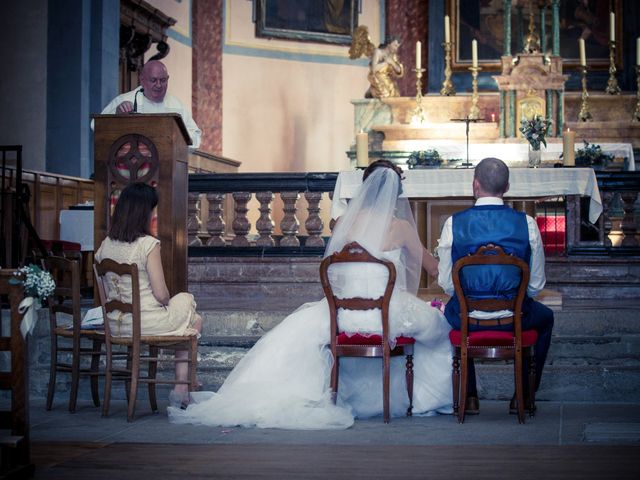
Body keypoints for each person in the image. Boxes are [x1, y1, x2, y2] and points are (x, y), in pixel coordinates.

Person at [169, 160, 452, 429]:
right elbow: (428, 266)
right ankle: (425, 401)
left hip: (344, 316)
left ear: (364, 189)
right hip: (385, 316)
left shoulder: (343, 224)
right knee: (440, 329)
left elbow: (333, 273)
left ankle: (341, 395)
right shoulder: (400, 228)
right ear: (396, 194)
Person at [436, 157, 554, 414]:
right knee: (546, 318)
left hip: (467, 317)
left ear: (475, 185)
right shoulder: (528, 224)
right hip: (515, 317)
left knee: (447, 314)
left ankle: (469, 397)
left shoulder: (453, 223)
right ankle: (523, 396)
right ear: (507, 187)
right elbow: (535, 286)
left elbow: (446, 284)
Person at [95, 182, 203, 408]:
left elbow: (104, 295)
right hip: (145, 323)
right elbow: (162, 295)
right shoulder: (148, 245)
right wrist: (163, 303)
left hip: (115, 325)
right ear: (144, 212)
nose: (154, 214)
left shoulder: (105, 245)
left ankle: (186, 384)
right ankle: (182, 386)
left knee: (189, 323)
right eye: (152, 209)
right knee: (190, 309)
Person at [100, 60, 202, 148]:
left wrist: (176, 137)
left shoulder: (177, 106)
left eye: (162, 80)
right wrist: (116, 116)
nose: (158, 85)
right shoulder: (124, 100)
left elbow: (196, 138)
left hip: (168, 165)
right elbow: (97, 127)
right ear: (142, 80)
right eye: (153, 80)